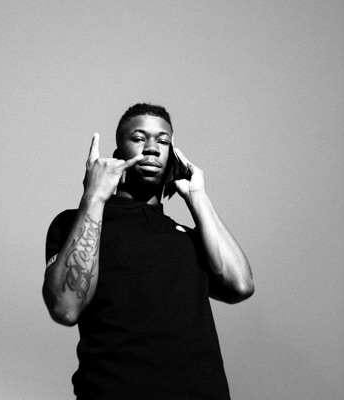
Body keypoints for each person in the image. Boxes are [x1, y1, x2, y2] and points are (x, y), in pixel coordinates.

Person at [43, 103, 254, 399]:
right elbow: (65, 307)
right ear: (118, 155)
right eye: (139, 138)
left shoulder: (189, 238)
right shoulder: (73, 224)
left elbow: (240, 285)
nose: (152, 148)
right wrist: (94, 196)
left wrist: (197, 197)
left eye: (163, 141)